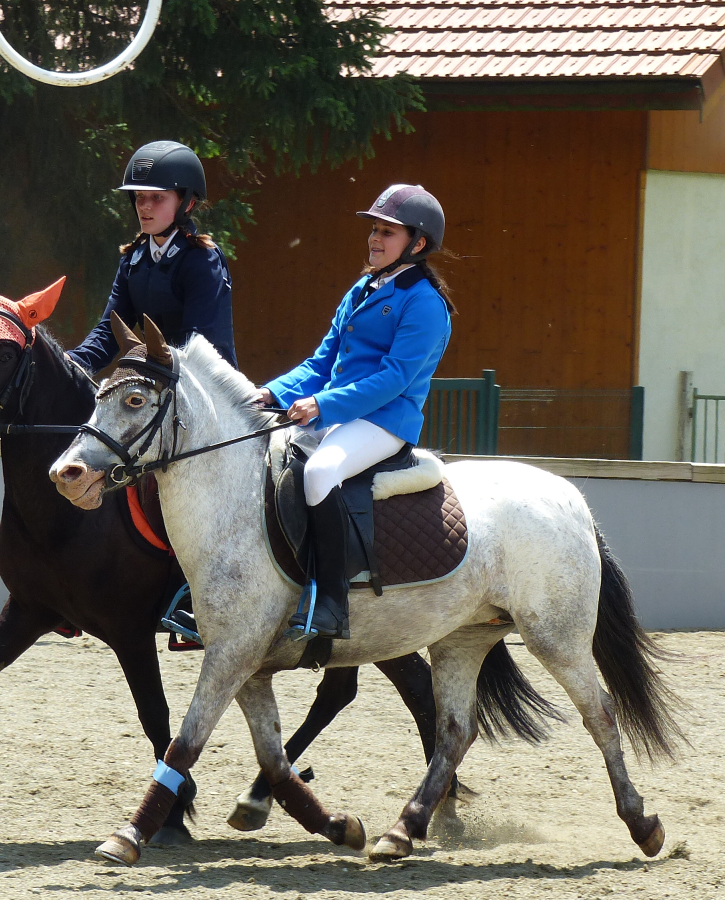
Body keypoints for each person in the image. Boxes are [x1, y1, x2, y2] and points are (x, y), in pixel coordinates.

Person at [259, 184, 453, 641]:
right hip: (343, 415)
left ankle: (331, 602)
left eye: (387, 232)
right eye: (374, 230)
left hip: (386, 421)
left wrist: (323, 404)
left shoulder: (424, 303)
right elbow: (321, 362)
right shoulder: (364, 287)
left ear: (417, 243)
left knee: (321, 471)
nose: (374, 239)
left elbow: (393, 379)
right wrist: (269, 394)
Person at [68, 141, 236, 374]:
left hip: (206, 389)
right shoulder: (132, 261)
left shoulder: (202, 261)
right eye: (139, 196)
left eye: (157, 198)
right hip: (161, 382)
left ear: (187, 204)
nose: (144, 206)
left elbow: (197, 347)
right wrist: (67, 365)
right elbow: (108, 333)